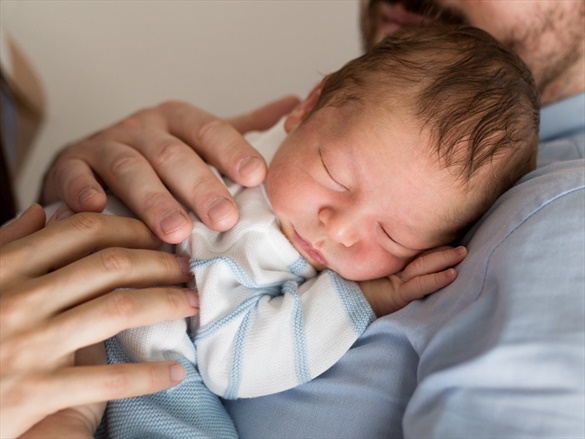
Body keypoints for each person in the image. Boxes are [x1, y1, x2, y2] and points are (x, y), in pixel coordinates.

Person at [3, 0, 583, 437]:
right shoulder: (271, 146)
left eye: (392, 235)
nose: (336, 226)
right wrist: (80, 182)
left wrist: (363, 299)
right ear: (309, 107)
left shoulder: (560, 212)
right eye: (332, 171)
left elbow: (235, 359)